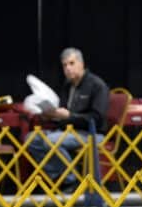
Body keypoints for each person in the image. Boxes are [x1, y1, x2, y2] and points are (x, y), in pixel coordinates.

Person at [26, 48, 109, 193]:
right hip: (67, 131)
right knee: (31, 139)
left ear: (81, 64)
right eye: (64, 65)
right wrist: (51, 115)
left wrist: (69, 116)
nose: (68, 68)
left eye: (71, 63)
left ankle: (71, 180)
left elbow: (97, 119)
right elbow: (62, 113)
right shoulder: (67, 86)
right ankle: (62, 177)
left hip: (91, 133)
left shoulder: (97, 85)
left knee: (51, 140)